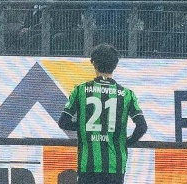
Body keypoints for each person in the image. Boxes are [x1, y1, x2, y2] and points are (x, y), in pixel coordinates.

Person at [56, 45, 146, 184]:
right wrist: (126, 142)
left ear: (93, 63)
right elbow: (142, 126)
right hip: (115, 165)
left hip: (88, 165)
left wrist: (85, 125)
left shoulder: (80, 90)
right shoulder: (127, 94)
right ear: (115, 65)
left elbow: (63, 122)